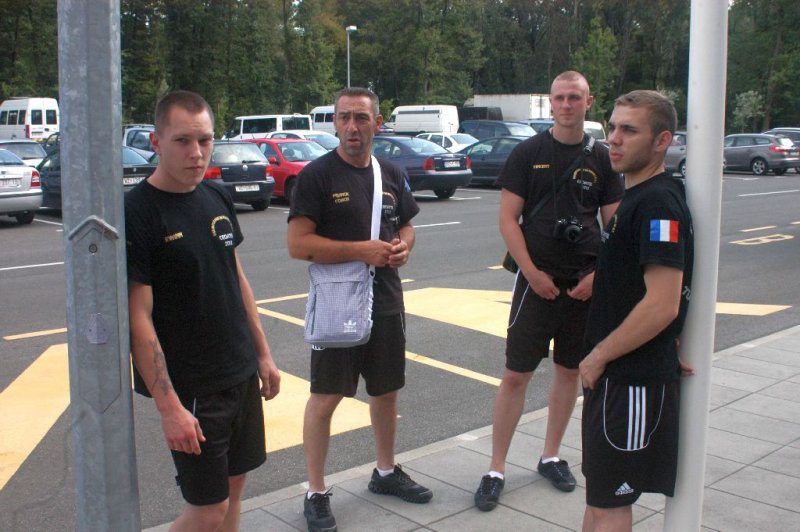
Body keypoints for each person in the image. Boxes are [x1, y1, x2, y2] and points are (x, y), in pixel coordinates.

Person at [126, 90, 281, 532]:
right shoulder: (137, 212)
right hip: (194, 388)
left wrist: (263, 354)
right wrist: (169, 407)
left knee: (235, 489)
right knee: (207, 511)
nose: (196, 153)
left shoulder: (216, 195)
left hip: (239, 372)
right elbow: (138, 319)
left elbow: (236, 277)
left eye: (205, 140)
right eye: (182, 141)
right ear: (156, 142)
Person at [474, 71, 624, 511]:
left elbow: (615, 226)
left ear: (588, 102)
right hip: (535, 284)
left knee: (569, 372)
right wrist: (532, 272)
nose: (566, 105)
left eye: (574, 97)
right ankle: (496, 468)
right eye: (559, 98)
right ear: (550, 103)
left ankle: (551, 455)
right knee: (515, 375)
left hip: (584, 286)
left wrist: (598, 277)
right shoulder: (528, 153)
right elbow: (508, 220)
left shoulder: (602, 158)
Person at [287, 87, 431, 532]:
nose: (353, 126)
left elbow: (406, 226)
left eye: (361, 118)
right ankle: (315, 491)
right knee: (326, 397)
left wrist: (403, 247)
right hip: (338, 304)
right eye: (345, 117)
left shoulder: (391, 173)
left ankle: (385, 472)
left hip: (385, 300)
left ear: (377, 123)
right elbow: (298, 245)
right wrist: (360, 250)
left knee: (385, 392)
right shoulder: (317, 176)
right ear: (334, 123)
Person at [579, 90, 694, 531]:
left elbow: (662, 303)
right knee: (599, 498)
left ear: (662, 140)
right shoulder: (637, 196)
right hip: (616, 380)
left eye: (629, 130)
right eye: (612, 127)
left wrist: (599, 355)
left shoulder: (657, 203)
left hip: (631, 382)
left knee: (611, 505)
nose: (613, 138)